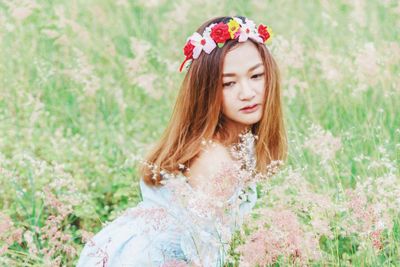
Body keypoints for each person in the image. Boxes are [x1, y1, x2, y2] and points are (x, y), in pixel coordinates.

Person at [77, 15, 287, 267]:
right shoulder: (215, 160)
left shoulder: (234, 140)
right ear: (207, 90)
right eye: (229, 83)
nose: (247, 93)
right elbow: (205, 254)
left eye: (256, 76)